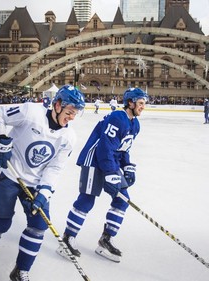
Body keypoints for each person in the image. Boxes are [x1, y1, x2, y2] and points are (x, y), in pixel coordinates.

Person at [0, 85, 85, 281]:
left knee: (38, 226)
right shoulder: (30, 112)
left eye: (75, 114)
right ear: (57, 105)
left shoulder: (69, 137)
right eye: (70, 112)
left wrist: (44, 192)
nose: (72, 117)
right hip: (10, 175)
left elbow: (55, 168)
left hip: (36, 184)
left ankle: (20, 271)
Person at [57, 87, 148, 263]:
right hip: (94, 160)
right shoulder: (117, 118)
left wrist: (127, 166)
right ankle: (67, 239)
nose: (143, 106)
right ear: (130, 102)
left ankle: (105, 240)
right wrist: (111, 172)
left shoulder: (135, 124)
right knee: (87, 199)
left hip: (109, 163)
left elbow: (123, 148)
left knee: (122, 199)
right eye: (141, 103)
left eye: (144, 103)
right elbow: (105, 147)